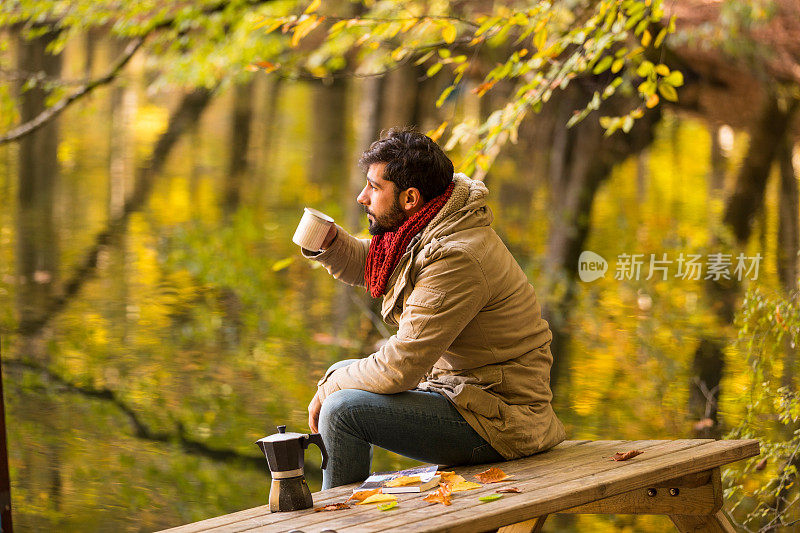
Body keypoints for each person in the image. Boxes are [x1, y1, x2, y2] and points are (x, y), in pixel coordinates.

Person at [301, 127, 566, 490]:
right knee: (341, 372)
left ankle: (341, 521)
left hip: (501, 422)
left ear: (410, 198)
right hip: (464, 395)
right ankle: (346, 510)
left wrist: (328, 389)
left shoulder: (457, 257)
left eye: (375, 188)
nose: (362, 197)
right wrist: (331, 244)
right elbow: (381, 264)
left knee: (342, 409)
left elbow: (399, 369)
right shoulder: (433, 222)